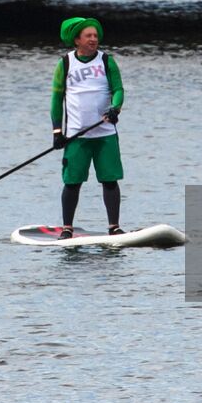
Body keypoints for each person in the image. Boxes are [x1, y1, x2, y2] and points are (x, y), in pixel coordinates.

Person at [51, 17, 125, 240]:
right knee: (72, 182)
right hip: (76, 136)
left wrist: (115, 107)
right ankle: (67, 229)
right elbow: (56, 100)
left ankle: (114, 227)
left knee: (110, 180)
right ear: (77, 40)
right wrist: (57, 132)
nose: (94, 39)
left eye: (95, 35)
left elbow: (119, 90)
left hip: (105, 134)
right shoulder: (65, 64)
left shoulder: (106, 61)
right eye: (88, 36)